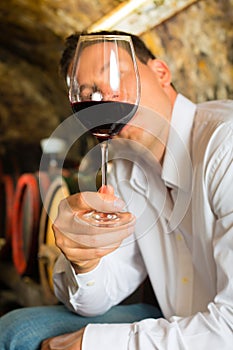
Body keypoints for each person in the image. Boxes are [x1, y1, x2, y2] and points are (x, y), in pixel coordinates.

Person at [0, 30, 233, 350]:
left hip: (220, 330)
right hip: (171, 320)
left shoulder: (225, 145)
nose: (105, 96)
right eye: (89, 91)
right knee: (15, 331)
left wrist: (93, 343)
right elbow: (101, 294)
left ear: (161, 73)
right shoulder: (122, 166)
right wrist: (85, 261)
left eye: (116, 74)